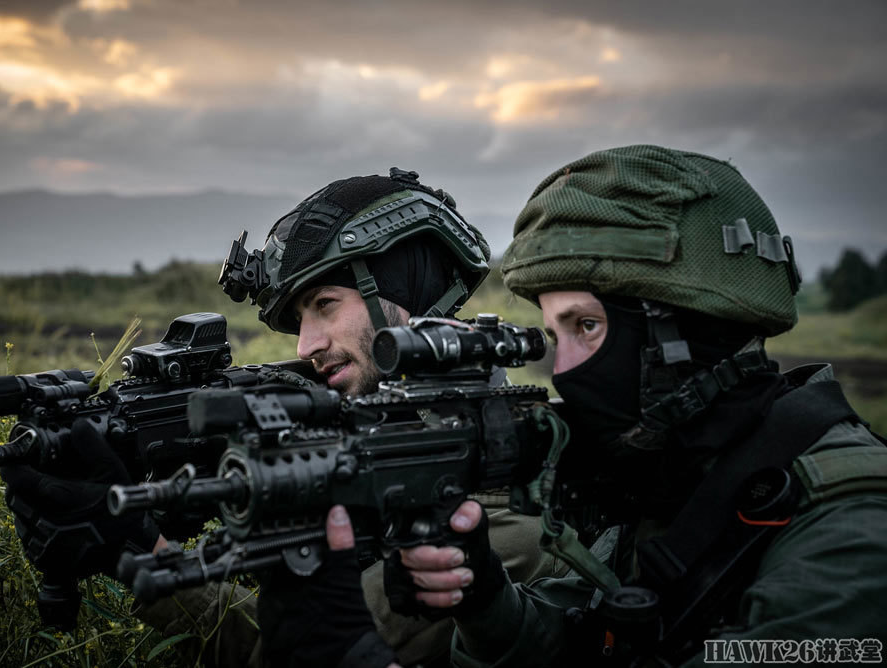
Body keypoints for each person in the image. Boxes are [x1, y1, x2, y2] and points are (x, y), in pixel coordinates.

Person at [260, 145, 887, 667]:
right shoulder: (677, 486)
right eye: (554, 336)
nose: (563, 371)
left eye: (586, 327)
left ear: (681, 327)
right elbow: (575, 646)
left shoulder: (853, 528)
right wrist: (486, 604)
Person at [1, 168, 557, 667]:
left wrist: (142, 550)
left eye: (325, 304)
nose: (308, 345)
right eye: (299, 318)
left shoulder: (494, 517)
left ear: (408, 299)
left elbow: (285, 651)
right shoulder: (356, 430)